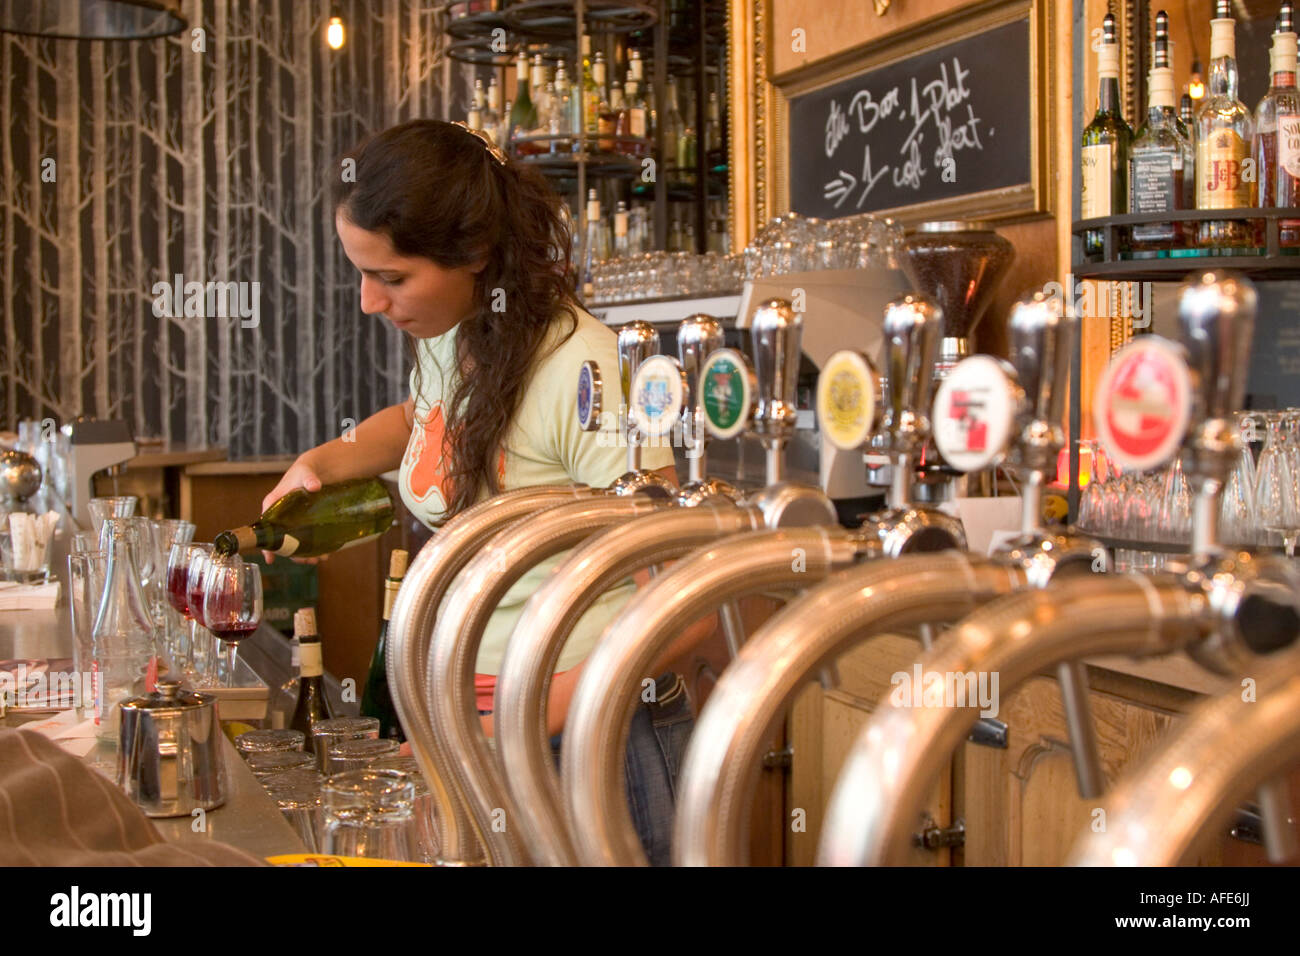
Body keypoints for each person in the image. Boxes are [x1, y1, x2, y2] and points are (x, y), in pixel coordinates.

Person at [261, 119, 711, 865]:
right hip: (479, 714)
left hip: (594, 733)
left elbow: (685, 606)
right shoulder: (454, 332)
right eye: (361, 273)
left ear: (473, 253)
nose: (370, 302)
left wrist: (525, 722)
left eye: (392, 277)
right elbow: (423, 416)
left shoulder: (587, 373)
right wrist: (329, 458)